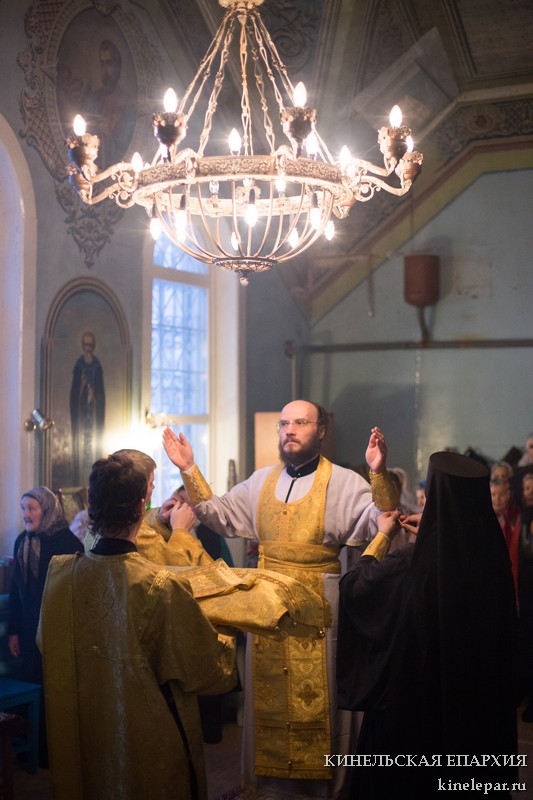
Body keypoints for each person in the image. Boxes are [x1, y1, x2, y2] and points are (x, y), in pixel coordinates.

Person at [162, 399, 400, 799]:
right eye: (284, 423)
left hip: (320, 608)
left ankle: (323, 789)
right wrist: (188, 468)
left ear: (321, 430)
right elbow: (217, 513)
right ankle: (270, 789)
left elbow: (382, 516)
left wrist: (377, 472)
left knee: (319, 701)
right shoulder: (261, 481)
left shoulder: (343, 481)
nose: (289, 430)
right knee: (267, 701)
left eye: (300, 422)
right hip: (267, 607)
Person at [38, 453, 236, 800]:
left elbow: (46, 643)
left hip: (86, 728)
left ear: (91, 503)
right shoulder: (158, 585)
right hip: (148, 735)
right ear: (140, 505)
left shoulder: (60, 574)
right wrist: (227, 623)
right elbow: (210, 672)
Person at [337, 451, 518, 799]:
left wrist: (382, 536)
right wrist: (438, 527)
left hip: (413, 716)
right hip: (474, 716)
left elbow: (356, 588)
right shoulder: (493, 558)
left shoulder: (412, 563)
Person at [8, 487, 83, 765]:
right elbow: (16, 592)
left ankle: (50, 753)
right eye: (23, 508)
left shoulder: (67, 543)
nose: (26, 515)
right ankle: (28, 750)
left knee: (53, 688)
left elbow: (75, 592)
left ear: (47, 510)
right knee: (31, 682)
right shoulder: (21, 541)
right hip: (29, 628)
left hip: (56, 628)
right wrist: (14, 631)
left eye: (32, 508)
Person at [70, 331, 105, 484]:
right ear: (83, 346)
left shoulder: (97, 366)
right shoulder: (79, 365)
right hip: (82, 415)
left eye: (90, 345)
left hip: (93, 415)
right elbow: (74, 393)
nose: (88, 348)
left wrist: (94, 395)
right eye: (86, 344)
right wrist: (83, 387)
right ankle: (79, 478)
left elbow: (101, 393)